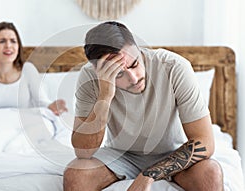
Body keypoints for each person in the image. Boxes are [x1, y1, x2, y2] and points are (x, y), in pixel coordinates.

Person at [63, 21, 223, 191]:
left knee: (210, 172)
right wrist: (104, 96)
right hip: (121, 156)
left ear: (138, 50)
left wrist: (149, 174)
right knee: (75, 174)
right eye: (119, 74)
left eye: (134, 64)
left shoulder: (174, 67)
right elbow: (83, 152)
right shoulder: (89, 78)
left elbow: (205, 142)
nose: (133, 78)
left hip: (172, 152)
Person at [0, 19, 67, 115]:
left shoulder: (28, 70)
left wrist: (52, 107)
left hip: (24, 126)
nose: (8, 46)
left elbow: (42, 101)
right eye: (2, 41)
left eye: (13, 41)